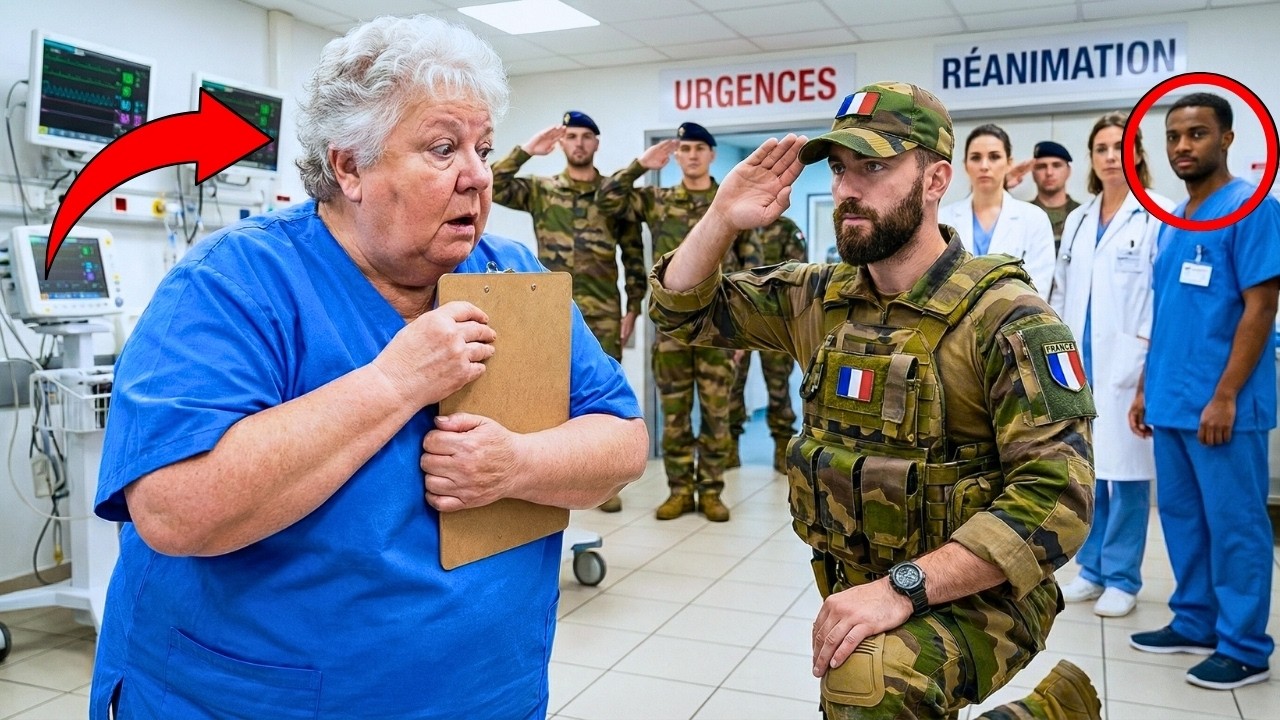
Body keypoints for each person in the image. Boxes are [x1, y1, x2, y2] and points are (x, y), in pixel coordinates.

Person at [87, 16, 647, 720]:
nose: (478, 175)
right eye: (444, 148)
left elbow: (623, 436)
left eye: (483, 148)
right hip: (260, 698)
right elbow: (173, 509)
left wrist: (517, 464)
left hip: (486, 692)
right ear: (350, 166)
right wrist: (394, 382)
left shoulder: (514, 278)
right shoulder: (235, 284)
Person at [648, 81, 1101, 719]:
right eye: (839, 169)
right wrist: (721, 215)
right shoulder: (820, 298)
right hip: (864, 582)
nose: (846, 190)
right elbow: (677, 310)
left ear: (936, 178)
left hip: (983, 593)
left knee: (865, 683)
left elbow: (1060, 498)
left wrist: (905, 588)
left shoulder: (1005, 316)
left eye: (876, 167)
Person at [1128, 92, 1280, 690]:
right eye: (1174, 136)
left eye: (1196, 134)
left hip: (1224, 407)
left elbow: (1261, 306)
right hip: (1170, 399)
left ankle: (1244, 646)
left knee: (1236, 523)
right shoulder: (1175, 219)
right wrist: (1146, 387)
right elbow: (1167, 310)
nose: (1183, 147)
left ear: (1226, 139)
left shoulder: (1252, 207)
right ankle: (1195, 620)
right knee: (1185, 519)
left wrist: (1224, 396)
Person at [599, 122, 760, 522]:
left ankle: (711, 492)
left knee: (716, 414)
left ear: (710, 154)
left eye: (698, 149)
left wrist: (747, 332)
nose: (690, 155)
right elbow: (607, 201)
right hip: (670, 327)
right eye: (684, 148)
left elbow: (752, 270)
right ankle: (678, 491)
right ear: (677, 155)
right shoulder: (658, 198)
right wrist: (641, 164)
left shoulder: (730, 201)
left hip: (719, 327)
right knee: (673, 415)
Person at [492, 110, 646, 512]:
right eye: (571, 136)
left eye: (585, 137)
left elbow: (633, 254)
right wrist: (526, 151)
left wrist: (634, 307)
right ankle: (555, 477)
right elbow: (492, 184)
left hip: (602, 309)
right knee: (549, 393)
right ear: (561, 144)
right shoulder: (542, 190)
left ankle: (604, 483)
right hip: (550, 310)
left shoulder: (613, 196)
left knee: (604, 398)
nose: (578, 143)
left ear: (596, 144)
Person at [1051, 112, 1173, 619]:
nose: (1109, 156)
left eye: (1119, 146)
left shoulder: (1160, 214)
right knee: (1086, 473)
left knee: (1126, 477)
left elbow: (1159, 299)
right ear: (1092, 158)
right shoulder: (1080, 219)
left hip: (1128, 363)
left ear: (1137, 153)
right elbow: (1059, 290)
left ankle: (1122, 575)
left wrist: (1144, 371)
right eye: (1100, 148)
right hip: (1078, 363)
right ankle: (1093, 568)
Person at [939, 124, 1056, 299]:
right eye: (976, 158)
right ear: (965, 165)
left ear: (1009, 163)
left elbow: (1038, 289)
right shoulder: (942, 217)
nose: (984, 166)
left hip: (1013, 321)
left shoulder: (1034, 219)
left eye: (994, 157)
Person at [727, 215, 806, 473]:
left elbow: (797, 276)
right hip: (740, 320)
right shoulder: (739, 225)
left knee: (778, 385)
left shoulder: (786, 229)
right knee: (732, 383)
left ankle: (782, 446)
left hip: (775, 320)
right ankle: (729, 446)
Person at [1027, 141, 1082, 252]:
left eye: (1056, 165)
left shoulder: (1082, 215)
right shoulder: (1023, 214)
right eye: (1041, 167)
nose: (1049, 172)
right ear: (1033, 173)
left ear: (1068, 171)